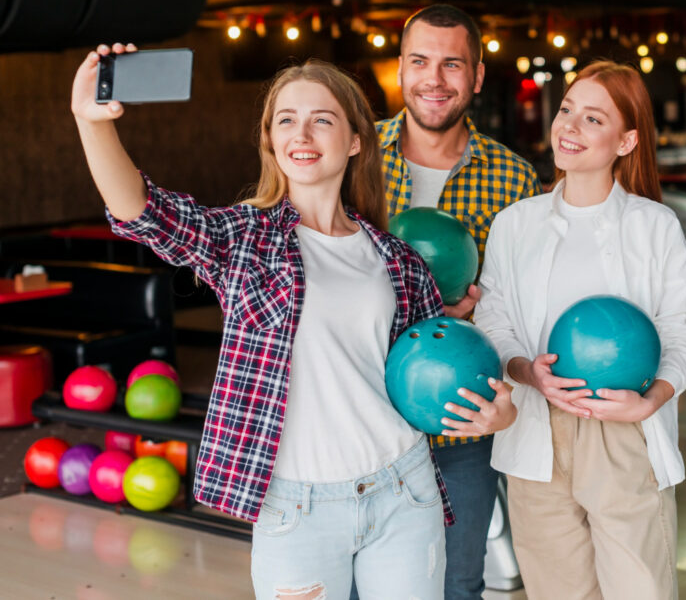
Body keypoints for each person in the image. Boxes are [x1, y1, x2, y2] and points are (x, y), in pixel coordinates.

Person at [71, 45, 453, 599]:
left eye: (322, 120)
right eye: (286, 121)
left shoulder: (396, 259)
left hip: (403, 487)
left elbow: (432, 373)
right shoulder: (245, 238)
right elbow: (142, 212)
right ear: (271, 142)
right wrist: (92, 122)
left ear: (354, 141)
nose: (302, 133)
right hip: (297, 504)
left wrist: (494, 404)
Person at [474, 61, 686, 599]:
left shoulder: (653, 225)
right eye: (565, 111)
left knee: (640, 589)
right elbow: (495, 318)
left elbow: (684, 325)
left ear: (626, 141)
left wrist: (650, 401)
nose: (569, 127)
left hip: (624, 428)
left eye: (593, 118)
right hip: (536, 430)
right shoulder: (516, 223)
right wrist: (524, 371)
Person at [375, 3, 542, 600]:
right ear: (400, 68)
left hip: (460, 425)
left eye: (452, 64)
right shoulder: (352, 157)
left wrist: (483, 317)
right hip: (362, 417)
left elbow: (524, 305)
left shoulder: (515, 178)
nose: (434, 79)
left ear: (476, 76)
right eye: (420, 61)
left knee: (456, 586)